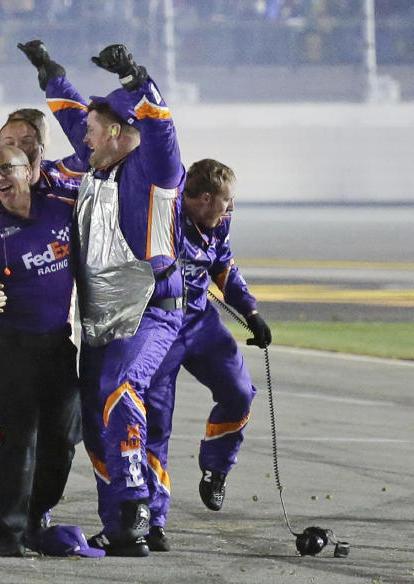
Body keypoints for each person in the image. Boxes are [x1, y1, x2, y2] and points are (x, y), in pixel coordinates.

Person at [72, 44, 186, 557]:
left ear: (116, 132)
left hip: (151, 309)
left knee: (122, 392)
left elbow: (161, 124)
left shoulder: (153, 165)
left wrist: (136, 76)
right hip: (100, 318)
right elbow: (72, 112)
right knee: (97, 423)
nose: (83, 139)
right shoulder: (97, 169)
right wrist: (52, 76)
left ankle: (138, 505)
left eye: (91, 131)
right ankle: (120, 522)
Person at [0, 145, 82, 557]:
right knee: (19, 439)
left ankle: (34, 517)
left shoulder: (64, 206)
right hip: (10, 348)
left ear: (30, 171)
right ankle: (6, 533)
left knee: (63, 439)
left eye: (6, 170)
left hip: (57, 345)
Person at [142, 158, 268, 551]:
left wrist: (251, 312)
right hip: (158, 326)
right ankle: (151, 518)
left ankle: (215, 468)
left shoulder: (219, 224)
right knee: (156, 423)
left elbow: (224, 266)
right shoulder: (162, 217)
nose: (231, 209)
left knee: (240, 392)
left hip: (200, 323)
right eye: (226, 201)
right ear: (206, 198)